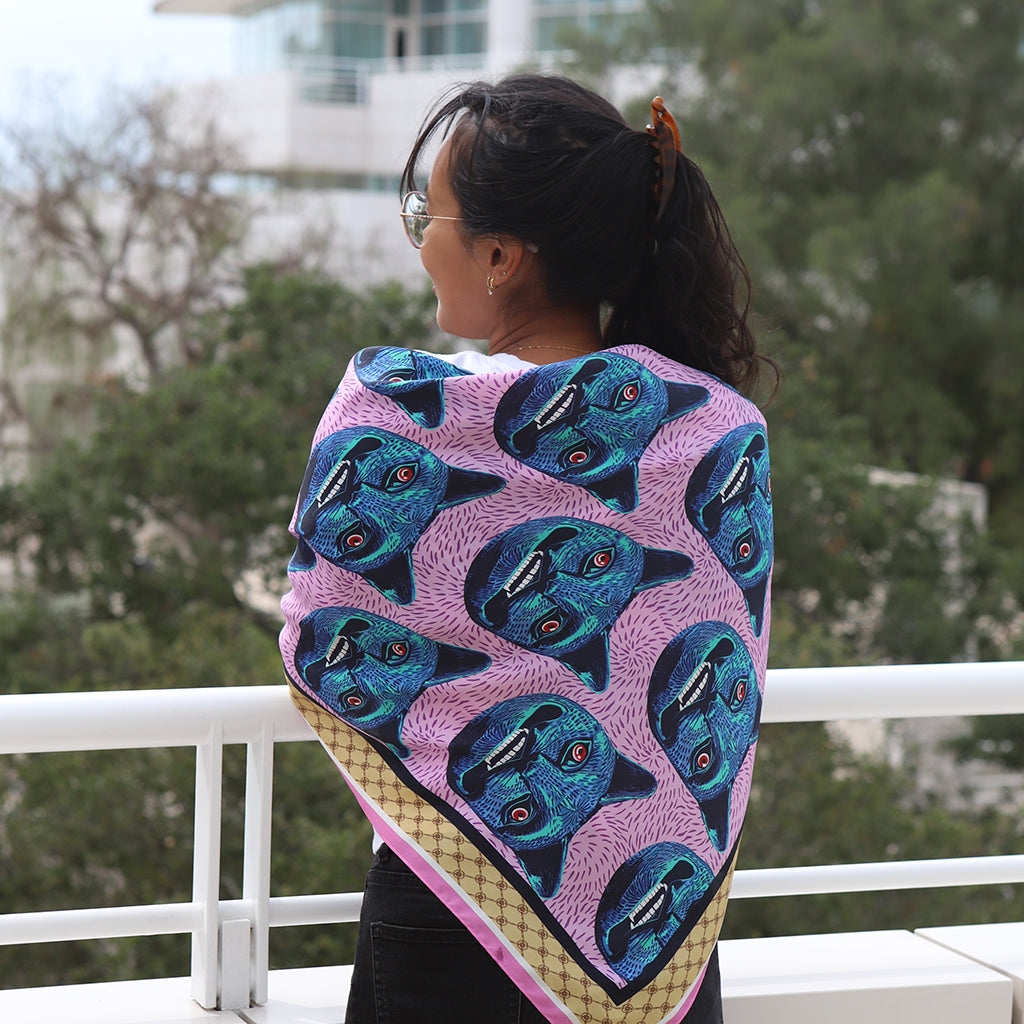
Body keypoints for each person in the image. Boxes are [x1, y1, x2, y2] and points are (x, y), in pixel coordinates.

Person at [279, 73, 775, 1024]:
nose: (421, 233)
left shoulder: (398, 418)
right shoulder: (717, 431)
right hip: (655, 925)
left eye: (430, 211)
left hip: (448, 902)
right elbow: (713, 688)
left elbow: (327, 628)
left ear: (500, 252)